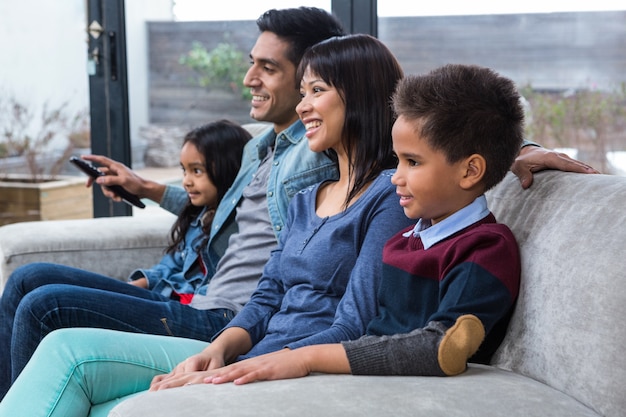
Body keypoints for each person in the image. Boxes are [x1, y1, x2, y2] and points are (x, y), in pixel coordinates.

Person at [0, 32, 415, 416]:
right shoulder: (307, 199)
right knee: (71, 358)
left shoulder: (388, 198)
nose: (303, 105)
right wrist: (216, 351)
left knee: (62, 339)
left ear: (359, 96)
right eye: (302, 92)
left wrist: (238, 366)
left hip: (283, 362)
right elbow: (267, 296)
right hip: (250, 347)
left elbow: (354, 325)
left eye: (317, 91)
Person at [195, 63, 526, 385]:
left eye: (413, 162)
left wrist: (304, 357)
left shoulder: (486, 248)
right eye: (398, 159)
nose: (396, 177)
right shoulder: (406, 239)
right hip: (352, 380)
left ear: (470, 171)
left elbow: (440, 347)